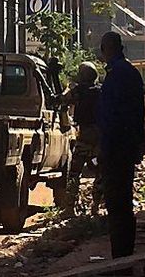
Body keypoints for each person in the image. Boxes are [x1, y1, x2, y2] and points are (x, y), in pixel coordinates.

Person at [97, 31, 145, 263]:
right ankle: (125, 252)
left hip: (116, 148)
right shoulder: (130, 73)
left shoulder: (117, 75)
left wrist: (105, 148)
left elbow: (113, 118)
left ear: (106, 49)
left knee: (117, 204)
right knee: (123, 202)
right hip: (125, 147)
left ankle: (121, 256)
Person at [60, 61, 103, 216]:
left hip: (84, 136)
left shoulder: (78, 91)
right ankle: (95, 206)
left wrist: (68, 87)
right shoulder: (101, 91)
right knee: (100, 172)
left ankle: (70, 208)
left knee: (75, 172)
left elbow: (62, 100)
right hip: (100, 137)